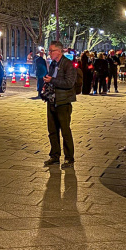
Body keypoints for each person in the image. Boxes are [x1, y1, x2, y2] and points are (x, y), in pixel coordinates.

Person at [43, 40, 77, 169]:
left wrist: (53, 80)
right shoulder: (52, 64)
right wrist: (46, 83)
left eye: (51, 51)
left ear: (59, 51)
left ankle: (69, 158)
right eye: (49, 51)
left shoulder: (68, 65)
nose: (49, 53)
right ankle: (55, 156)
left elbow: (69, 83)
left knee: (65, 131)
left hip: (63, 102)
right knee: (52, 130)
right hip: (51, 100)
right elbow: (52, 79)